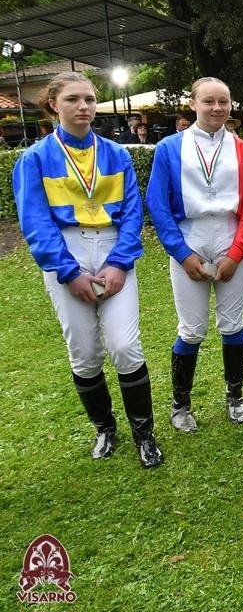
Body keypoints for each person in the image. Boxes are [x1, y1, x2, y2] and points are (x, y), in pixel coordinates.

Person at [12, 72, 162, 468]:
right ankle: (105, 428)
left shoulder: (116, 154)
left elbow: (132, 212)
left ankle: (144, 433)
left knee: (125, 346)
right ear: (54, 105)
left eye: (90, 99)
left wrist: (119, 263)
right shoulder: (34, 159)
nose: (83, 107)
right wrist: (68, 272)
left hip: (111, 247)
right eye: (73, 99)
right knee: (84, 353)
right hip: (68, 250)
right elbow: (35, 222)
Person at [145, 77, 243, 430]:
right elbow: (157, 203)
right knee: (191, 328)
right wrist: (182, 253)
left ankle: (235, 396)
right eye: (209, 101)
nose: (217, 108)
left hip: (229, 235)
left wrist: (237, 253)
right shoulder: (169, 148)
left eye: (223, 101)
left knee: (232, 323)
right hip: (190, 236)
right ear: (193, 103)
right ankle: (180, 405)